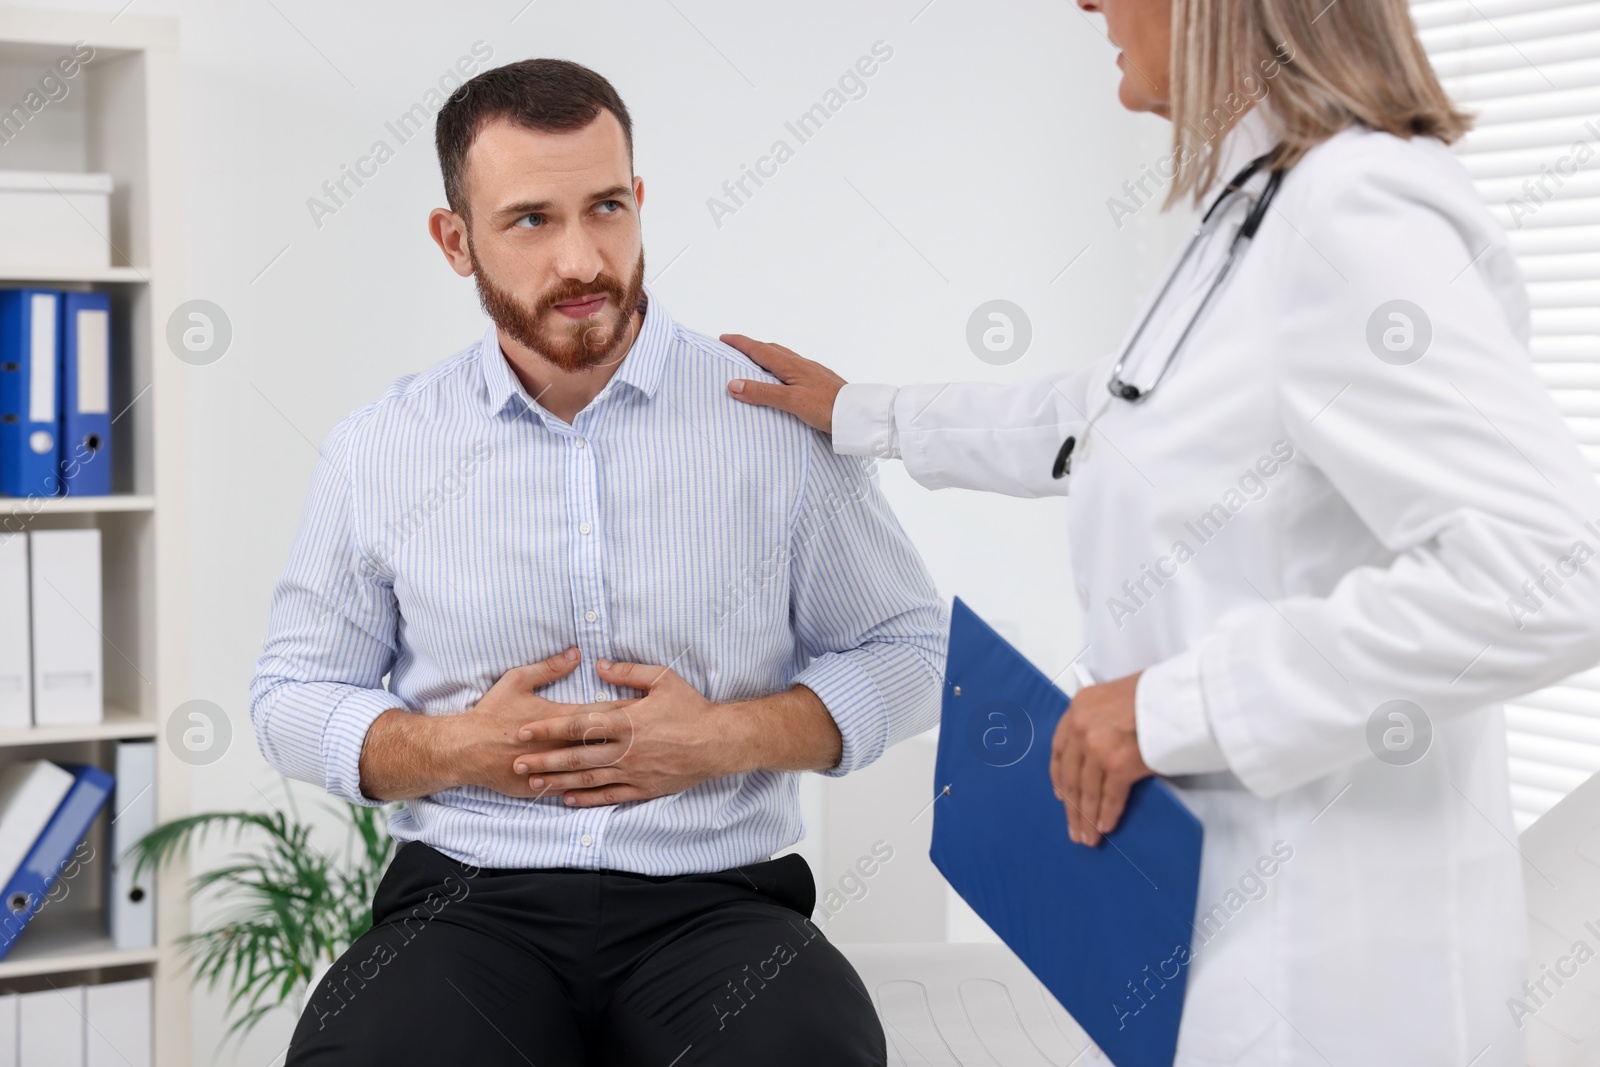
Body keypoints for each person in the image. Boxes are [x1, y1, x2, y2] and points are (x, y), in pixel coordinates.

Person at [721, 0, 1600, 1063]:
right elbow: (1112, 419)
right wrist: (868, 413)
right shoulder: (1248, 218)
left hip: (1344, 976)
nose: (1083, 4)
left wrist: (1167, 707)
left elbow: (1553, 569)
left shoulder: (1355, 210)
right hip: (1212, 929)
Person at [250, 58, 945, 1067]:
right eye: (531, 219)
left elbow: (911, 646)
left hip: (718, 905)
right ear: (456, 241)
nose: (584, 259)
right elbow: (288, 692)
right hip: (463, 905)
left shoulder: (774, 420)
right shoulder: (380, 449)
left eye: (607, 207)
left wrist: (720, 737)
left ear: (639, 201)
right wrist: (454, 750)